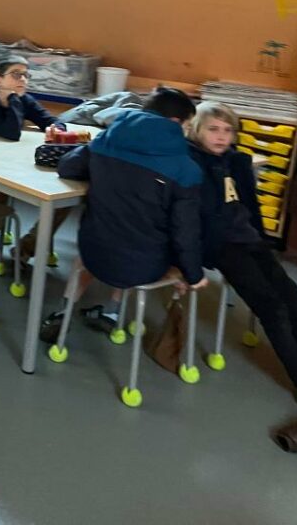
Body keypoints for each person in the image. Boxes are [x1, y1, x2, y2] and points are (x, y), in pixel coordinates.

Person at [189, 101, 297, 413]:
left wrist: (261, 237)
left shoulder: (236, 162)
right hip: (222, 246)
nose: (221, 136)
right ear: (196, 130)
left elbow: (250, 206)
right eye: (213, 129)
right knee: (274, 309)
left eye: (227, 130)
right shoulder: (191, 163)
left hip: (250, 241)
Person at [41, 87, 207, 341]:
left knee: (112, 233)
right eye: (187, 126)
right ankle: (112, 312)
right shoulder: (186, 169)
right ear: (175, 122)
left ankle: (63, 312)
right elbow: (186, 232)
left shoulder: (106, 140)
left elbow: (68, 167)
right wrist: (194, 275)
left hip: (93, 252)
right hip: (145, 267)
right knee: (142, 238)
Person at [0, 56, 72, 262]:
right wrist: (14, 102)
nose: (23, 79)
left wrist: (55, 128)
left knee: (62, 201)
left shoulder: (24, 99)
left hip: (20, 164)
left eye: (26, 75)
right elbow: (11, 133)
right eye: (16, 74)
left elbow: (51, 121)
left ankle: (26, 248)